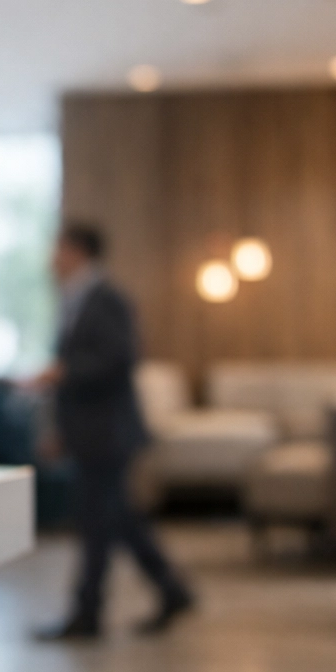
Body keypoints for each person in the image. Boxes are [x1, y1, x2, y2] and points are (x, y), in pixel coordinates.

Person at [31, 222, 195, 640]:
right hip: (90, 432)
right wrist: (60, 428)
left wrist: (63, 372)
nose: (51, 259)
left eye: (57, 249)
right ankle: (170, 590)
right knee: (116, 520)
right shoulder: (74, 299)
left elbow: (120, 359)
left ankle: (89, 614)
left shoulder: (105, 299)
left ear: (76, 251)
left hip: (108, 432)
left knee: (97, 524)